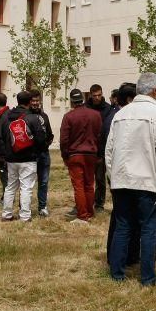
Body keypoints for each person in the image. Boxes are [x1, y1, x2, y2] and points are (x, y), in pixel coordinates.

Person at [105, 73, 156, 286]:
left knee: (123, 226)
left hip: (121, 179)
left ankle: (117, 273)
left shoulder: (121, 113)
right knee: (148, 229)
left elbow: (109, 150)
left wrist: (112, 176)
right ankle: (147, 277)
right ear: (154, 90)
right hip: (146, 180)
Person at [0, 91, 47, 222]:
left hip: (11, 158)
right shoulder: (32, 118)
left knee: (10, 186)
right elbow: (41, 139)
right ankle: (24, 216)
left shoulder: (7, 117)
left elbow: (2, 136)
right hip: (28, 158)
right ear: (29, 102)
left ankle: (6, 214)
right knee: (26, 187)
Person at [105, 83, 138, 265]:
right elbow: (108, 149)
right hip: (122, 177)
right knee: (122, 221)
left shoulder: (118, 116)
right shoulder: (117, 117)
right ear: (130, 99)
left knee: (123, 219)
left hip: (120, 176)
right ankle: (119, 257)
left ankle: (125, 256)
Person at [60, 88, 102, 223]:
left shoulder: (69, 117)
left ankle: (82, 215)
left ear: (72, 101)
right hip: (91, 153)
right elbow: (99, 135)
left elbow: (64, 140)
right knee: (90, 184)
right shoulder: (95, 115)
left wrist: (65, 156)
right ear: (83, 99)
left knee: (79, 185)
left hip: (75, 154)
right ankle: (89, 212)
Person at [86, 83, 112, 212]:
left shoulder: (107, 109)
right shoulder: (86, 108)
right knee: (87, 179)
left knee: (100, 179)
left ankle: (99, 204)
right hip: (87, 148)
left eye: (99, 95)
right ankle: (86, 202)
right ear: (90, 95)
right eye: (95, 95)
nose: (97, 98)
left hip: (102, 148)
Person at [29, 89, 54, 217]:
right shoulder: (26, 116)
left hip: (44, 154)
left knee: (43, 181)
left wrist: (48, 142)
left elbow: (50, 133)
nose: (35, 103)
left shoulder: (44, 116)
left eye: (37, 100)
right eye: (33, 100)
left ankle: (42, 207)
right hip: (30, 155)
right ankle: (25, 207)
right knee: (28, 183)